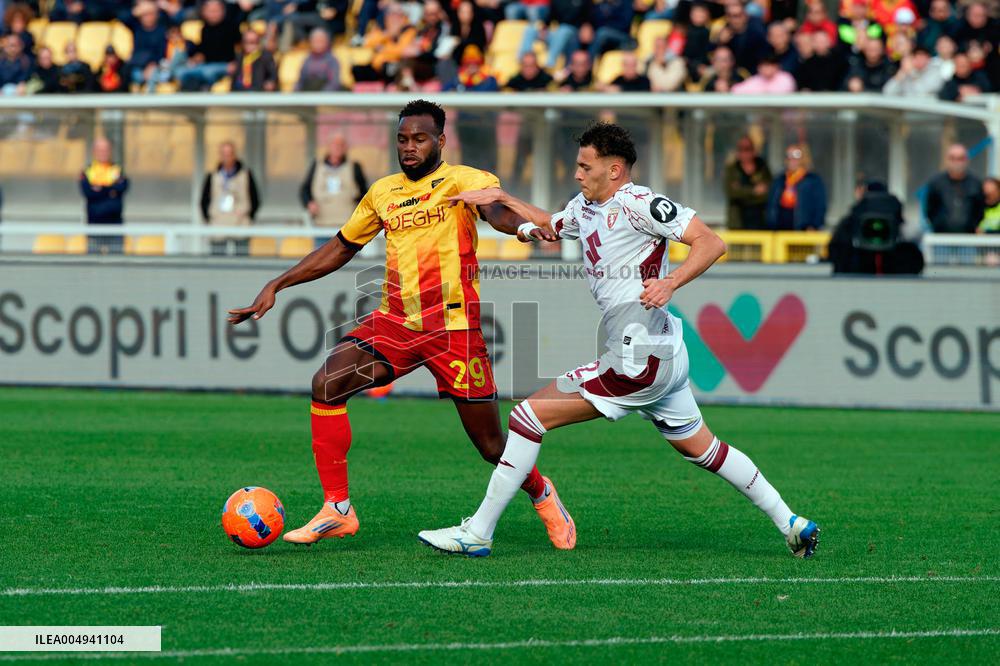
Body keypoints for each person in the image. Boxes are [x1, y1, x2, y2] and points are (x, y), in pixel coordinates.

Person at [418, 122, 819, 558]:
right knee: (703, 449)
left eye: (583, 166)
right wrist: (503, 199)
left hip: (639, 355)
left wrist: (671, 282)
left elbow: (711, 241)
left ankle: (478, 533)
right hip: (661, 354)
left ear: (613, 170)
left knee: (526, 418)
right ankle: (792, 523)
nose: (576, 173)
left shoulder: (639, 202)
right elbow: (551, 226)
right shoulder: (585, 205)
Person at [228, 100, 576, 550]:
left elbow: (497, 212)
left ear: (440, 141)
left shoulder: (465, 180)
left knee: (491, 445)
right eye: (402, 139)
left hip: (453, 330)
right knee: (326, 384)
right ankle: (337, 508)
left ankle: (542, 493)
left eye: (420, 138)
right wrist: (279, 282)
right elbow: (340, 247)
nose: (409, 147)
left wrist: (526, 230)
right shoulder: (383, 192)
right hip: (396, 323)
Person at [829, 179, 924, 274]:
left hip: (859, 265)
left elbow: (836, 245)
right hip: (893, 265)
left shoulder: (857, 211)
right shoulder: (895, 209)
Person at [299, 134, 368, 245]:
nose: (338, 147)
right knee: (321, 259)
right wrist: (309, 203)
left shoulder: (354, 166)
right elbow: (304, 190)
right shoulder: (317, 165)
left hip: (347, 227)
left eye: (341, 145)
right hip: (321, 225)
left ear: (346, 148)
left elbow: (365, 194)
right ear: (328, 146)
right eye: (335, 144)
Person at [199, 141, 260, 256]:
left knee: (241, 260)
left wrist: (248, 217)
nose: (226, 157)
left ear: (234, 155)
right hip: (218, 225)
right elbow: (204, 200)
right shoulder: (213, 176)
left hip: (240, 224)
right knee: (217, 261)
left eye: (229, 154)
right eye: (224, 154)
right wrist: (209, 218)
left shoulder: (246, 174)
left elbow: (255, 199)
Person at [178, 0, 243, 91]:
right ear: (204, 12)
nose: (214, 14)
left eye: (216, 10)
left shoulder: (231, 27)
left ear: (223, 11)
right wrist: (195, 58)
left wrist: (237, 64)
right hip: (205, 65)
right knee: (183, 73)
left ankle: (204, 90)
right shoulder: (204, 29)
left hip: (224, 66)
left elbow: (242, 47)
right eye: (211, 11)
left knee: (208, 73)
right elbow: (201, 50)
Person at [80, 137, 129, 255]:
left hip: (115, 228)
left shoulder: (117, 170)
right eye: (100, 150)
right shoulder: (88, 171)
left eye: (106, 149)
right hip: (94, 228)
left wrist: (99, 189)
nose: (103, 153)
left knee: (116, 262)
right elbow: (88, 193)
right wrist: (111, 191)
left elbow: (122, 188)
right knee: (92, 264)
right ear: (94, 151)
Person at [925, 143, 985, 233]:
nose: (957, 162)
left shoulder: (975, 183)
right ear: (947, 160)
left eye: (960, 158)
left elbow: (980, 209)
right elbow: (930, 209)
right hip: (941, 237)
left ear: (967, 160)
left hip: (969, 238)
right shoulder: (936, 183)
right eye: (953, 158)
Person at [766, 144, 827, 230]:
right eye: (789, 156)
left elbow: (820, 206)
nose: (792, 160)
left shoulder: (812, 180)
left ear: (803, 159)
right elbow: (771, 207)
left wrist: (814, 225)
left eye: (796, 156)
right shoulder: (779, 180)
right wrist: (771, 225)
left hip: (803, 230)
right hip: (780, 231)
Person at [724, 136, 772, 229]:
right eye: (741, 149)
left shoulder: (762, 167)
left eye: (748, 149)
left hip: (760, 221)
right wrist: (754, 191)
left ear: (754, 151)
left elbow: (769, 192)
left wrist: (742, 191)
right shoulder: (732, 169)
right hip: (738, 223)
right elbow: (732, 193)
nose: (744, 153)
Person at [732, 53, 797, 93]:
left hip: (783, 114)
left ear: (777, 66)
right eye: (764, 65)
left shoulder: (785, 77)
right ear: (759, 68)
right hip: (760, 113)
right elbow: (736, 89)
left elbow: (782, 93)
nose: (766, 68)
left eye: (770, 65)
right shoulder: (756, 79)